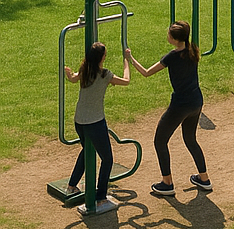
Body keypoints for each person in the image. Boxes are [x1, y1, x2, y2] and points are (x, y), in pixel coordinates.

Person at [127, 21, 211, 197]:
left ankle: (167, 183)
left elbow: (147, 72)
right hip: (196, 102)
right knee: (190, 139)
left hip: (180, 105)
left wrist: (130, 59)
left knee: (160, 141)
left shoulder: (171, 57)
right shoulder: (192, 49)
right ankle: (204, 179)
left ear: (173, 38)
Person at [64, 42, 131, 214]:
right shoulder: (105, 75)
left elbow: (72, 79)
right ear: (102, 58)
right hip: (95, 122)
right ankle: (101, 198)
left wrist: (68, 73)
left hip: (79, 120)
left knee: (87, 151)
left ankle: (72, 186)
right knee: (107, 159)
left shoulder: (85, 70)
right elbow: (126, 81)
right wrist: (126, 63)